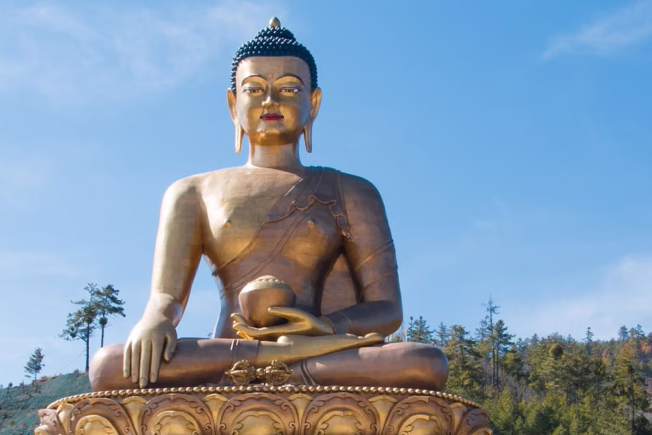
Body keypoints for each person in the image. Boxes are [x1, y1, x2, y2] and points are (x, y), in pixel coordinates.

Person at [90, 19, 447, 392]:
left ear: (314, 102)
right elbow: (166, 297)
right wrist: (155, 319)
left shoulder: (352, 191)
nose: (271, 101)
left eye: (289, 89)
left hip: (316, 349)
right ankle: (273, 367)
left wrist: (325, 327)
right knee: (110, 367)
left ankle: (267, 372)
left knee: (423, 363)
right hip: (232, 351)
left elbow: (387, 310)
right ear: (233, 104)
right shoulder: (191, 192)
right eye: (255, 89)